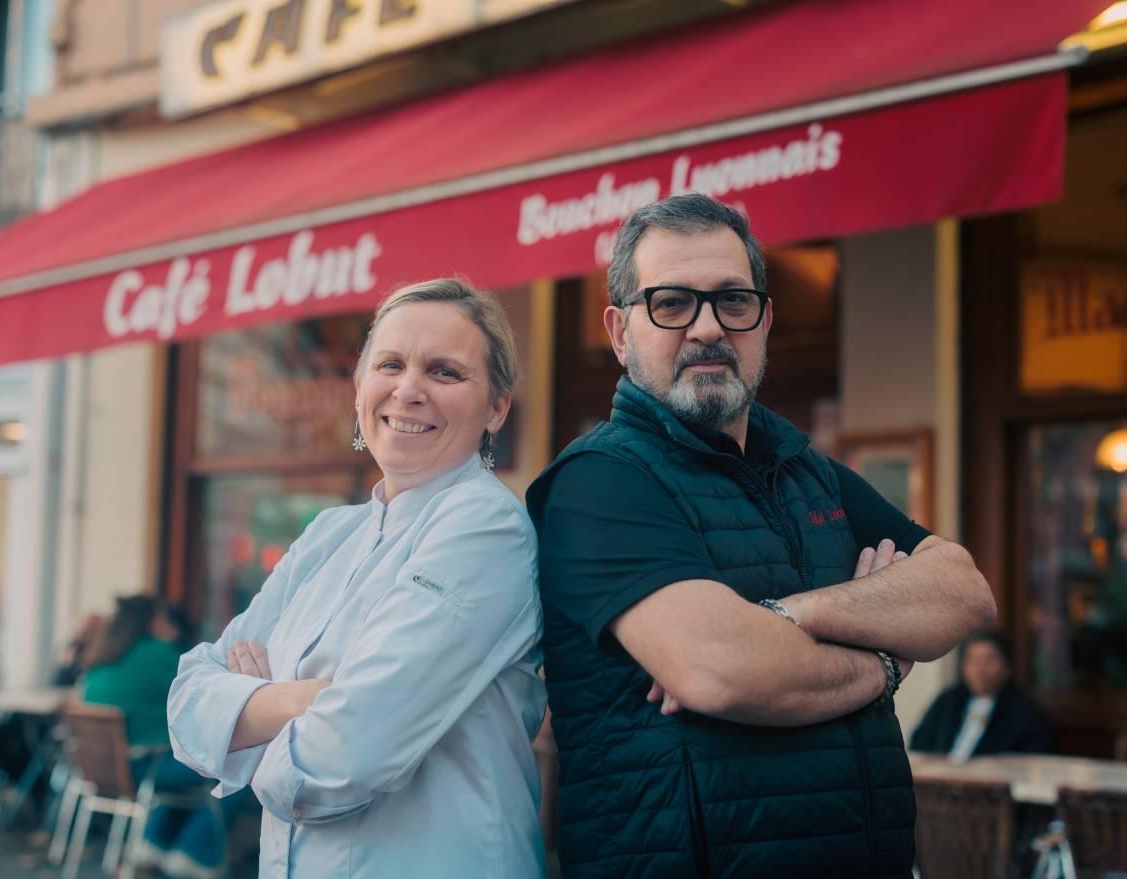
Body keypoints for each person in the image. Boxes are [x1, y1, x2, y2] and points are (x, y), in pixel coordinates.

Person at [526, 194, 996, 879]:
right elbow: (720, 670)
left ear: (765, 320)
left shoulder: (812, 473)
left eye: (733, 301)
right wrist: (890, 657)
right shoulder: (600, 482)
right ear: (620, 331)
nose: (709, 328)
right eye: (672, 303)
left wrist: (793, 615)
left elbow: (964, 591)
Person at [168, 279, 547, 878]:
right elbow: (187, 704)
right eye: (389, 364)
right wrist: (308, 699)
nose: (409, 390)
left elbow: (342, 758)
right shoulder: (329, 534)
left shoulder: (486, 528)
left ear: (497, 407)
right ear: (360, 387)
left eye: (445, 372)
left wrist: (246, 724)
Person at [81, 595, 247, 879]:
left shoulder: (102, 657)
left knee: (189, 765)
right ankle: (196, 855)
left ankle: (153, 844)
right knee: (238, 769)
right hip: (146, 769)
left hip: (104, 771)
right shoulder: (160, 655)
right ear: (151, 622)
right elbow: (210, 692)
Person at [910, 631, 1053, 758]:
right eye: (973, 660)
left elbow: (1031, 761)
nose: (980, 669)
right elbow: (918, 744)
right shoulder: (948, 700)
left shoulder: (1025, 712)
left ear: (1008, 667)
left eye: (989, 660)